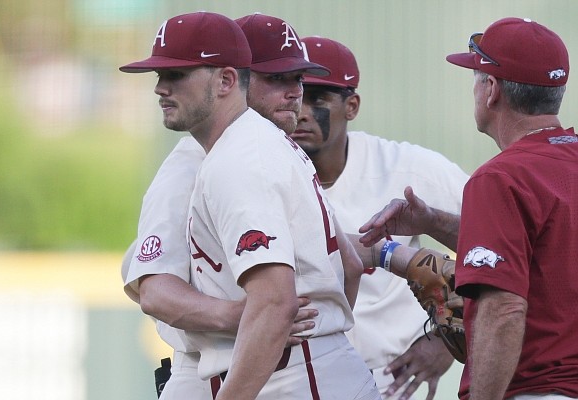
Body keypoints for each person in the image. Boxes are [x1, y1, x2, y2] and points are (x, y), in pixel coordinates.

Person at [120, 11, 379, 400]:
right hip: (292, 366)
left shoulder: (241, 156)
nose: (161, 88)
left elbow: (276, 303)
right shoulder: (262, 147)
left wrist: (271, 324)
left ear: (228, 79)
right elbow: (350, 265)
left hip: (287, 373)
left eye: (177, 75)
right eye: (277, 78)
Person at [361, 17, 578, 400]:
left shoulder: (501, 177)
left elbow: (505, 310)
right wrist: (431, 221)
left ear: (491, 89)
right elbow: (541, 246)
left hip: (539, 390)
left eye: (476, 77)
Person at [293, 35, 468, 399]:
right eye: (294, 94)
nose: (301, 110)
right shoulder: (258, 173)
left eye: (317, 98)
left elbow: (497, 244)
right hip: (289, 379)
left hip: (390, 379)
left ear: (351, 105)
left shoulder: (406, 169)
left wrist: (442, 341)